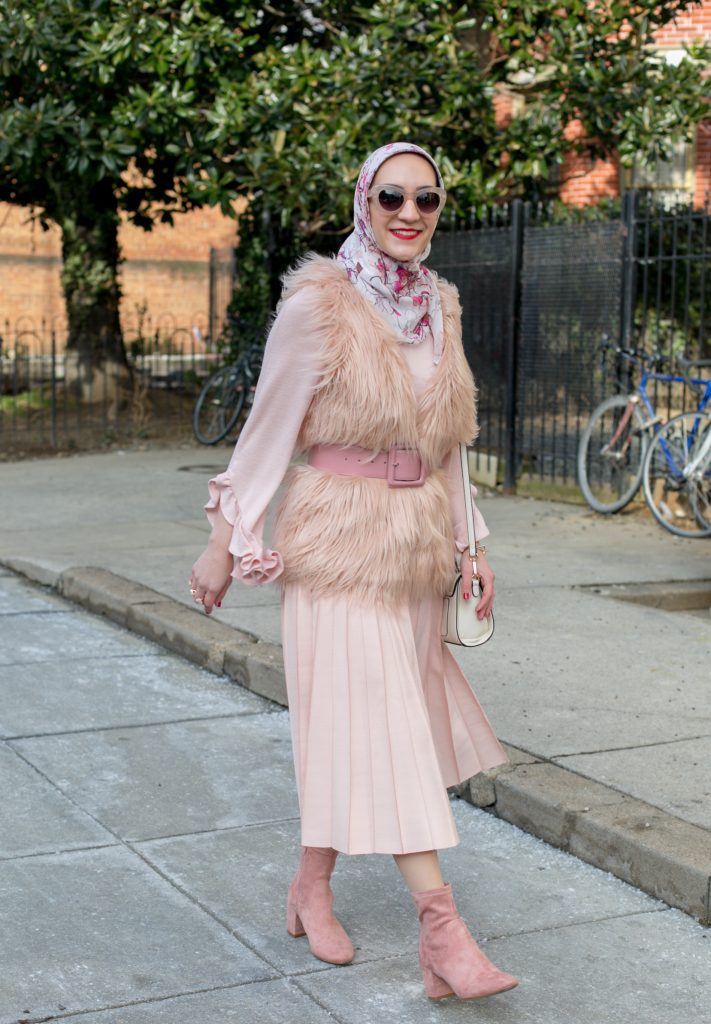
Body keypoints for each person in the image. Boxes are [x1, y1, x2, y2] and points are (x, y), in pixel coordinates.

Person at [189, 141, 519, 1002]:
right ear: (363, 203)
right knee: (387, 730)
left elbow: (449, 442)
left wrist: (471, 546)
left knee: (359, 727)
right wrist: (224, 539)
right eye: (391, 198)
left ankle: (310, 885)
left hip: (415, 550)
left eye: (426, 199)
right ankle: (442, 935)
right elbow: (267, 430)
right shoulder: (319, 304)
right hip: (335, 548)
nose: (409, 213)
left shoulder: (439, 304)